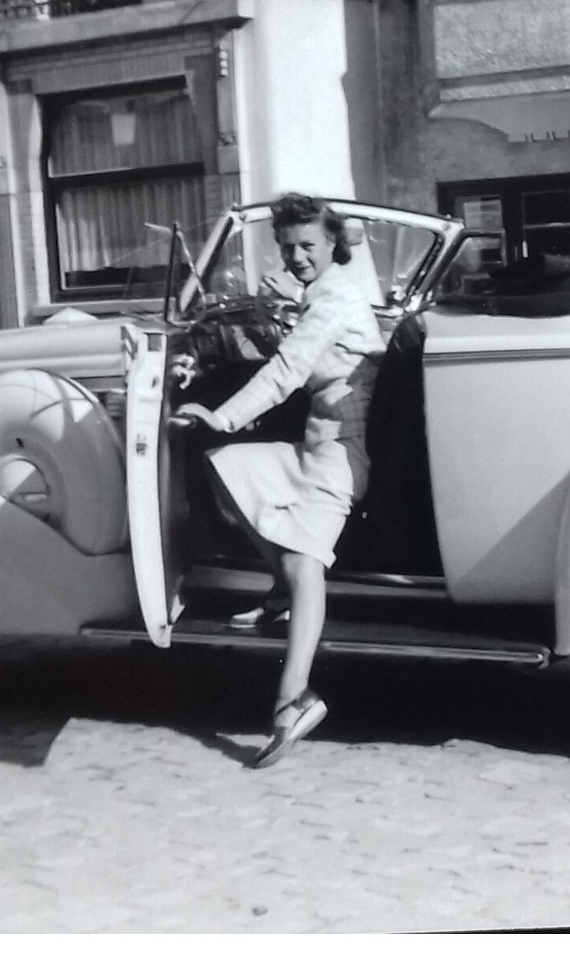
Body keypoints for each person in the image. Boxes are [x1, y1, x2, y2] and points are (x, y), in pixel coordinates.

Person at [176, 194, 386, 768]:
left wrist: (220, 415)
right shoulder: (327, 291)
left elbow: (288, 371)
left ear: (330, 245)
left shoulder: (333, 300)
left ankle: (293, 699)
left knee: (303, 562)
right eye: (288, 247)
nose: (296, 257)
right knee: (224, 466)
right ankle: (280, 593)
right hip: (318, 445)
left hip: (341, 455)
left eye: (307, 246)